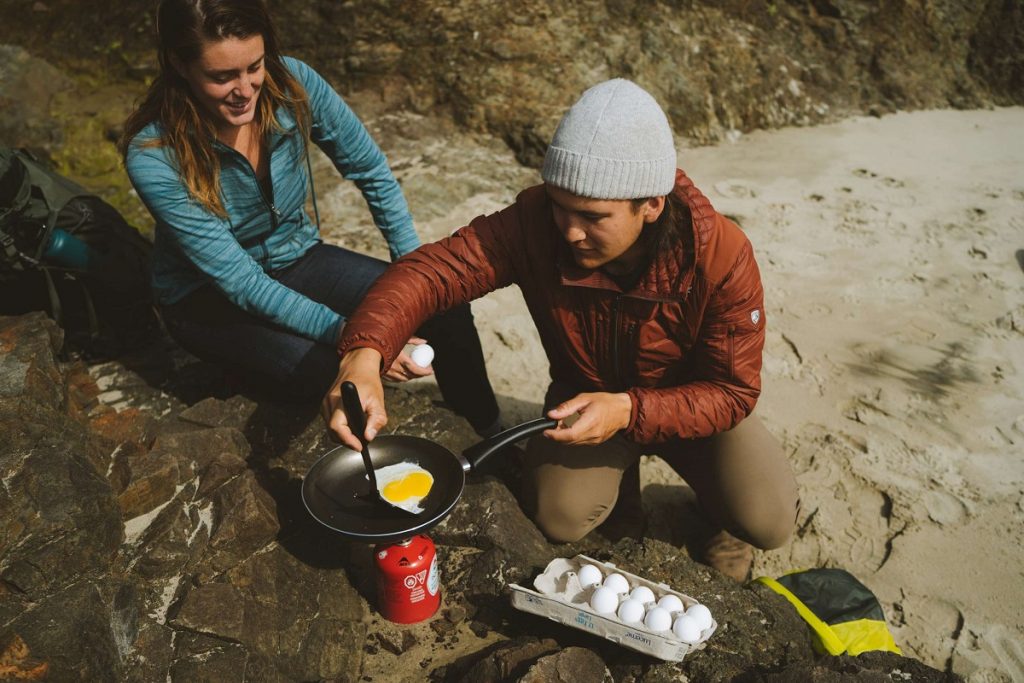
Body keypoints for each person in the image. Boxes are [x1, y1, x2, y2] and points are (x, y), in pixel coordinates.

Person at [323, 78, 800, 581]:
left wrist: (629, 410)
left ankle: (712, 514)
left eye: (593, 217)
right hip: (583, 396)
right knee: (559, 515)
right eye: (559, 205)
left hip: (691, 405)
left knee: (767, 521)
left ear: (652, 205)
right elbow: (430, 273)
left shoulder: (721, 255)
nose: (570, 231)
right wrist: (364, 353)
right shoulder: (534, 225)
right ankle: (623, 501)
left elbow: (732, 392)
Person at [118, 0, 500, 436]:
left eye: (254, 67)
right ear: (179, 65)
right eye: (222, 77)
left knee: (441, 302)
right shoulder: (154, 156)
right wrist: (360, 341)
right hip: (204, 298)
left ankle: (488, 435)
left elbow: (370, 169)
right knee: (331, 372)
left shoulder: (294, 84)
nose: (245, 89)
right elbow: (242, 282)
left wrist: (415, 275)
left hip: (297, 257)